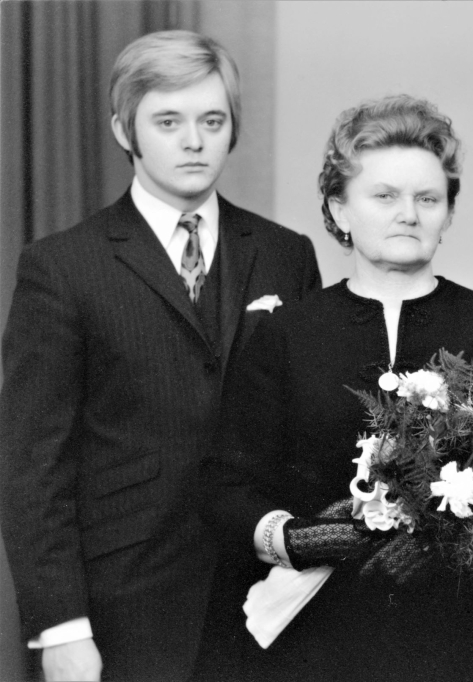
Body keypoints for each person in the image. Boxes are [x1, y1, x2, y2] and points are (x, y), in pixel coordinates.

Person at [0, 30, 321, 682]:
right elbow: (33, 464)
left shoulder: (287, 255)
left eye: (212, 121)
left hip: (268, 604)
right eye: (168, 121)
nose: (194, 141)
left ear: (233, 129)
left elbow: (310, 431)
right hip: (123, 611)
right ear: (124, 130)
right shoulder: (62, 267)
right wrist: (61, 628)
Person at [201, 95, 473, 682]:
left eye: (427, 199)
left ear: (447, 213)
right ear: (339, 209)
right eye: (384, 196)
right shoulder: (287, 335)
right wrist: (293, 538)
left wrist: (450, 537)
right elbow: (225, 487)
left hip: (463, 647)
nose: (408, 214)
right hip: (316, 649)